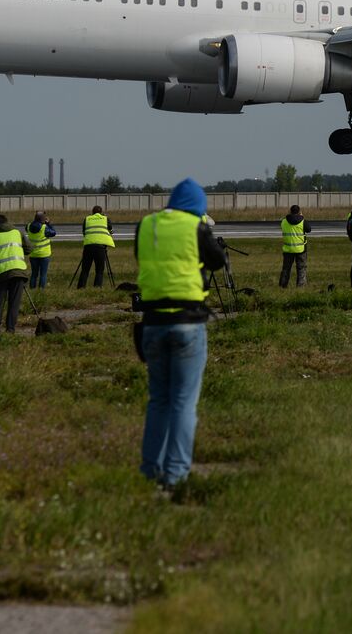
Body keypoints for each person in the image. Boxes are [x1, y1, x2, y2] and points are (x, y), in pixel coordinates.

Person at [133, 178, 227, 491]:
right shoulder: (196, 227)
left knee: (158, 400)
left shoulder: (147, 225)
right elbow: (217, 261)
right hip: (188, 320)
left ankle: (150, 470)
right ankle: (175, 476)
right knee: (184, 403)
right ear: (198, 207)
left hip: (152, 322)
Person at [79, 206, 115, 288]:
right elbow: (111, 231)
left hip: (88, 246)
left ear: (92, 212)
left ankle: (81, 287)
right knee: (99, 270)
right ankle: (97, 287)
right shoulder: (105, 219)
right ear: (101, 212)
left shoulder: (87, 219)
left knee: (85, 269)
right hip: (100, 247)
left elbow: (84, 232)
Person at [278, 204, 312, 288]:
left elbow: (282, 227)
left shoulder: (284, 221)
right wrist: (302, 217)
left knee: (286, 269)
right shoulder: (303, 221)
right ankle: (300, 286)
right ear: (299, 212)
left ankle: (282, 286)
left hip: (288, 249)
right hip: (300, 249)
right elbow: (309, 229)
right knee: (301, 268)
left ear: (290, 211)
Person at [27, 211, 57, 289]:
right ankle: (41, 290)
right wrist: (48, 223)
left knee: (34, 274)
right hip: (44, 254)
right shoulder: (44, 228)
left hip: (33, 254)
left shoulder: (28, 226)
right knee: (43, 274)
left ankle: (32, 288)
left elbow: (31, 226)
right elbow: (53, 233)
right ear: (43, 219)